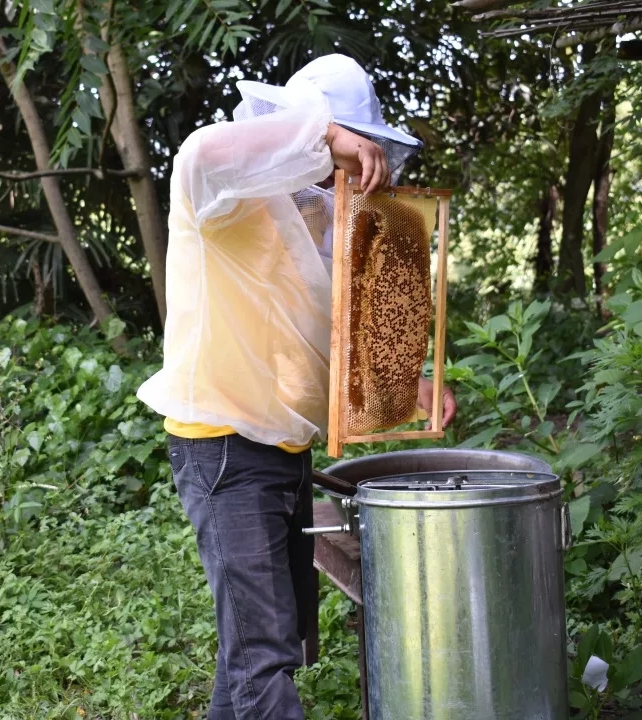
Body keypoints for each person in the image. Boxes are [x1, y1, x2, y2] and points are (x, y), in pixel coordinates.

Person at [136, 54, 458, 719]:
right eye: (341, 146)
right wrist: (327, 135)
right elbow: (197, 153)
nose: (342, 169)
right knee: (263, 661)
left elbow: (326, 330)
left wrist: (409, 382)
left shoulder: (314, 226)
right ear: (301, 131)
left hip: (281, 448)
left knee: (255, 650)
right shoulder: (226, 194)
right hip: (223, 444)